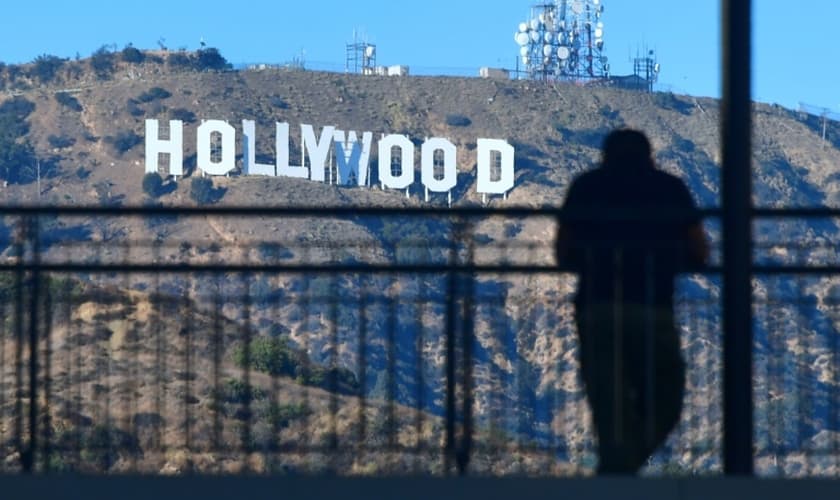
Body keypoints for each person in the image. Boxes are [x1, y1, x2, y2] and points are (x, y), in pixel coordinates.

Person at [556, 129, 709, 474]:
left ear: (604, 155)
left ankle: (616, 469)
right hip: (652, 306)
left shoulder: (586, 187)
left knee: (609, 402)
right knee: (666, 395)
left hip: (597, 307)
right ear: (649, 155)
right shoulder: (670, 188)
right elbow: (699, 249)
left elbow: (562, 251)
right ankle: (621, 468)